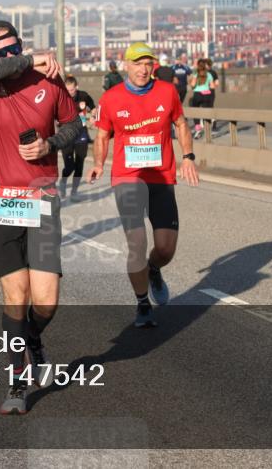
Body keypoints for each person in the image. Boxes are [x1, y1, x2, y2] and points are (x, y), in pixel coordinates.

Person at [0, 20, 81, 415]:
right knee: (17, 294)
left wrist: (51, 143)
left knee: (46, 301)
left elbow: (75, 126)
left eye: (16, 49)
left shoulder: (49, 80)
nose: (12, 58)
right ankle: (17, 384)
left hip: (40, 197)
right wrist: (28, 59)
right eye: (3, 53)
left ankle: (31, 337)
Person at [88, 42, 198, 329]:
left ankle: (153, 270)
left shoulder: (167, 91)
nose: (144, 69)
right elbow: (101, 136)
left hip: (161, 176)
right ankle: (142, 304)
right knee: (137, 243)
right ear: (126, 65)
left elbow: (182, 124)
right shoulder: (111, 98)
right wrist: (99, 163)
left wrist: (188, 157)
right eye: (138, 63)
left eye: (148, 63)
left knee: (165, 249)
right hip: (128, 177)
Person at [58, 75, 95, 199]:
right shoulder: (61, 97)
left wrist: (94, 116)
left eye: (72, 90)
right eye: (67, 90)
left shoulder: (83, 96)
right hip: (66, 135)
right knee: (70, 166)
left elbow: (93, 108)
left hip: (81, 135)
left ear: (76, 87)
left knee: (79, 165)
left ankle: (74, 192)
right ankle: (63, 182)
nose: (69, 93)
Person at [188, 59, 219, 138]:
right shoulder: (209, 74)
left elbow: (192, 85)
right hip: (207, 94)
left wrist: (192, 83)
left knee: (195, 111)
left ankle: (198, 128)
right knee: (206, 111)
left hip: (198, 94)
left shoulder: (196, 74)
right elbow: (212, 86)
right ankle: (208, 128)